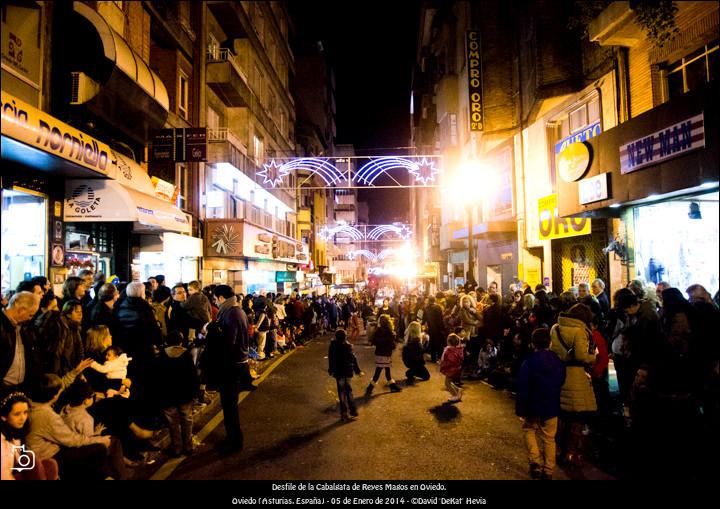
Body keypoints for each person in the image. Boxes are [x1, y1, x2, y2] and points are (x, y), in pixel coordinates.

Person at [26, 374, 113, 480]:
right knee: (100, 449)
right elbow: (71, 440)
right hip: (49, 457)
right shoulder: (46, 414)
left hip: (45, 452)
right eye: (59, 392)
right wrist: (99, 439)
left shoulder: (33, 406)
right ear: (55, 396)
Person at [203, 285, 251, 454]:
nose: (215, 302)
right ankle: (232, 438)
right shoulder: (235, 311)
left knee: (230, 406)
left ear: (221, 297)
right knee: (229, 406)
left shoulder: (231, 313)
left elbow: (229, 342)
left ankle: (234, 442)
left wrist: (212, 331)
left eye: (216, 299)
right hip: (236, 363)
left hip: (231, 366)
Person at [550, 303, 597, 468]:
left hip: (558, 372)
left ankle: (557, 450)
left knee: (561, 414)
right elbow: (581, 356)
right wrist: (593, 357)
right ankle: (570, 453)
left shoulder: (556, 328)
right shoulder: (580, 331)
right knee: (577, 415)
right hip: (576, 375)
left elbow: (553, 350)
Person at [516, 328, 565, 480]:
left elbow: (523, 386)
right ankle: (549, 470)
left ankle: (535, 461)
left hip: (532, 405)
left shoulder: (529, 361)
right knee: (549, 438)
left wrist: (521, 409)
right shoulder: (557, 361)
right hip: (551, 405)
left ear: (532, 344)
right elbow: (561, 381)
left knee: (529, 430)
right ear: (550, 343)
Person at [59, 379, 127, 480]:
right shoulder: (85, 418)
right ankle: (121, 476)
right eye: (92, 396)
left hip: (67, 449)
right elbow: (90, 443)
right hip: (79, 453)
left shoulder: (65, 409)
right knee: (114, 442)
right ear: (86, 400)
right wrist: (97, 436)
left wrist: (95, 433)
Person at [158, 330, 200, 457]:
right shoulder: (186, 355)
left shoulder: (162, 356)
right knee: (187, 419)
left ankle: (176, 447)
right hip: (185, 394)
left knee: (172, 422)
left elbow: (158, 377)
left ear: (167, 342)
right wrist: (195, 392)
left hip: (168, 395)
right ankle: (188, 446)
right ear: (181, 342)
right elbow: (193, 376)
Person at [1, 391, 59, 480]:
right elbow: (4, 476)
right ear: (3, 417)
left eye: (25, 412)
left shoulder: (17, 432)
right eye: (17, 414)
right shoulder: (2, 443)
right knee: (30, 459)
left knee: (50, 464)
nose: (23, 418)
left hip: (18, 471)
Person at [1, 292, 40, 397]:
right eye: (30, 314)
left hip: (19, 388)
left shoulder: (23, 327)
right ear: (21, 310)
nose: (30, 318)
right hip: (4, 389)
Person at [328, 329, 362, 422]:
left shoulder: (333, 346)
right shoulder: (348, 346)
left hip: (339, 372)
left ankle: (344, 414)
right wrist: (357, 370)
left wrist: (331, 370)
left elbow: (331, 359)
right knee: (349, 391)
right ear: (345, 337)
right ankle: (353, 410)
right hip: (347, 372)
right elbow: (353, 359)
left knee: (341, 392)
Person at [365, 314, 402, 395]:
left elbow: (373, 341)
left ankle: (392, 386)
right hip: (386, 353)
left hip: (379, 353)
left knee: (386, 370)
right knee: (379, 371)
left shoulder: (377, 330)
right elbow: (392, 344)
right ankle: (370, 387)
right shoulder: (389, 331)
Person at [440, 333, 464, 403]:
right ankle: (458, 390)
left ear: (449, 342)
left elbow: (443, 359)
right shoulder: (459, 349)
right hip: (456, 369)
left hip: (451, 369)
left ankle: (455, 395)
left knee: (447, 383)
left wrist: (444, 352)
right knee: (450, 382)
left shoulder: (449, 350)